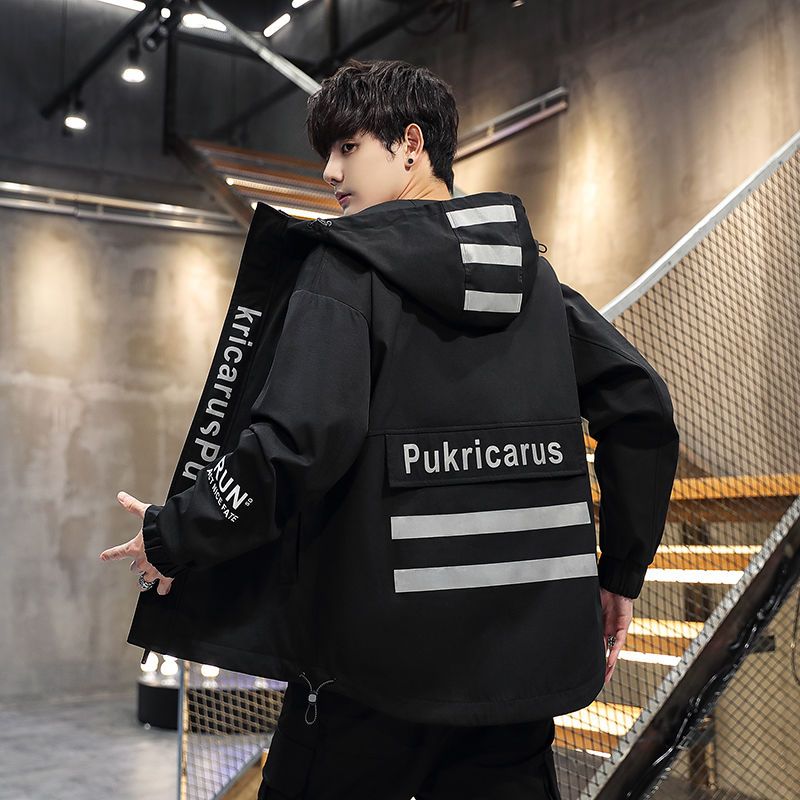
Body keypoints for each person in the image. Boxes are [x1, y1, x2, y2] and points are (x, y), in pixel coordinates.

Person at [99, 59, 679, 800]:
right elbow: (642, 406)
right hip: (518, 686)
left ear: (411, 145)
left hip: (370, 676)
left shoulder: (345, 271)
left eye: (348, 147)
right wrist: (621, 571)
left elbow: (295, 443)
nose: (329, 172)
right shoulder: (534, 283)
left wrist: (177, 533)